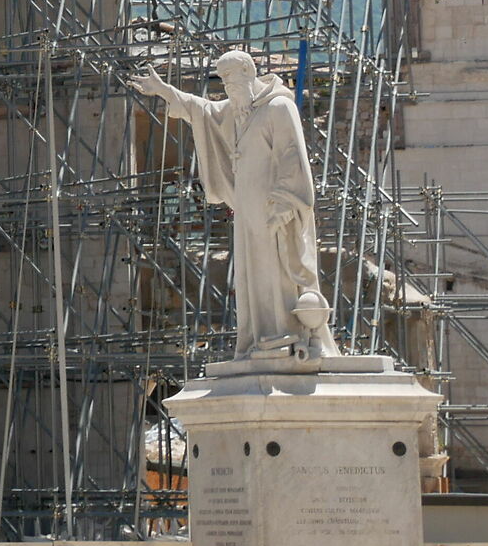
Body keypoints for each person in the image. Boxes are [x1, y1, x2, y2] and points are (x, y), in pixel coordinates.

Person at [129, 49, 340, 362]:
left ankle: (287, 336)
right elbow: (203, 111)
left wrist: (284, 202)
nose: (228, 85)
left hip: (275, 210)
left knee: (278, 273)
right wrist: (165, 91)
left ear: (249, 71)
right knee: (252, 276)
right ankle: (260, 337)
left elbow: (292, 157)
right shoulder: (239, 111)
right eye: (223, 79)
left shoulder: (278, 107)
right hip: (247, 210)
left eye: (231, 77)